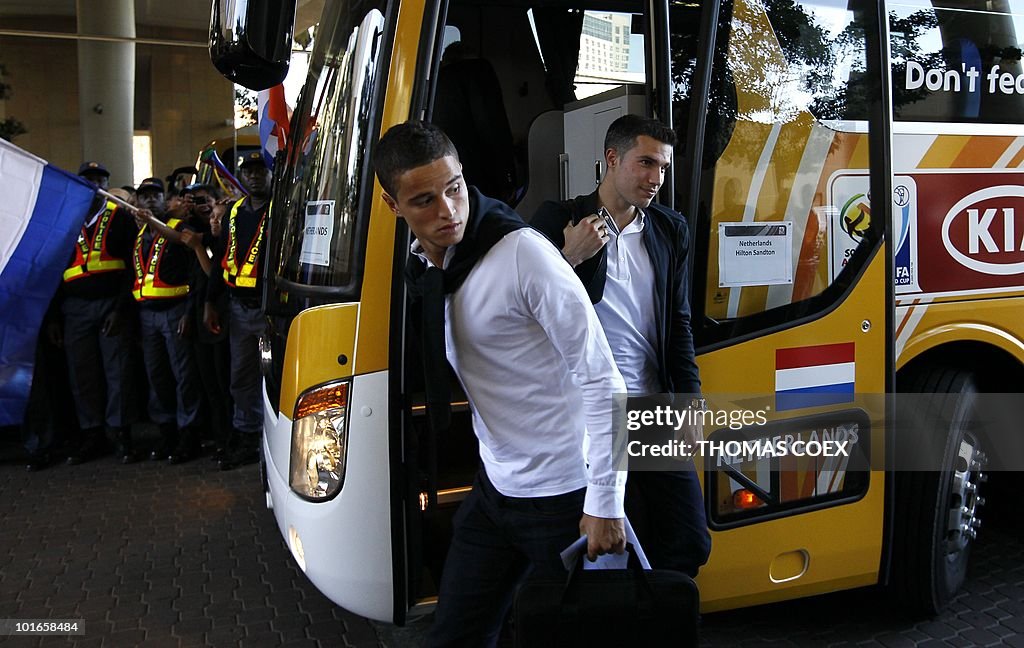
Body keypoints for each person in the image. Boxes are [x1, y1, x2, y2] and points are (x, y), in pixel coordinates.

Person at [374, 121, 627, 647]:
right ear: (391, 205)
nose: (448, 210)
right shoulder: (426, 265)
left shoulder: (523, 256)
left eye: (454, 187)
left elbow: (603, 381)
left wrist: (605, 502)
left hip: (564, 496)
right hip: (496, 491)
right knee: (456, 635)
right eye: (424, 200)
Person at [531, 114, 712, 576]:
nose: (656, 179)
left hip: (652, 412)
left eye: (664, 168)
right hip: (589, 416)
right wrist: (570, 258)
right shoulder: (559, 220)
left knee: (689, 540)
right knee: (602, 549)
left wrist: (690, 399)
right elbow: (528, 318)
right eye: (646, 163)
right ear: (612, 159)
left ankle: (657, 618)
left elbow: (679, 325)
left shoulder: (669, 230)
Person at [60, 161, 140, 464]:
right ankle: (92, 433)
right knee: (83, 374)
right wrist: (56, 317)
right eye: (88, 179)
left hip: (111, 305)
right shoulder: (66, 219)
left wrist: (121, 309)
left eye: (99, 179)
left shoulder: (119, 217)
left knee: (117, 371)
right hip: (74, 308)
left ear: (107, 185)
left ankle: (121, 434)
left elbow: (133, 266)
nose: (93, 184)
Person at [204, 151, 271, 470]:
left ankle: (273, 438)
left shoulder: (281, 211)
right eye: (249, 172)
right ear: (241, 178)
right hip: (239, 309)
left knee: (274, 375)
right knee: (241, 376)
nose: (255, 176)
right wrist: (209, 302)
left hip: (270, 310)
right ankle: (247, 435)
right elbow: (220, 260)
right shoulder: (232, 213)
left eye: (261, 171)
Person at [132, 177, 204, 463]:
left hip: (175, 312)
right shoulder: (139, 234)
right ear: (137, 202)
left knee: (183, 377)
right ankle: (167, 432)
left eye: (155, 195)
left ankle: (189, 435)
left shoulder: (179, 228)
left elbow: (194, 272)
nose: (150, 200)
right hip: (147, 315)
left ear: (165, 200)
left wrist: (188, 311)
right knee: (157, 377)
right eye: (144, 196)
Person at [179, 184, 233, 460]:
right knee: (209, 384)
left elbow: (214, 274)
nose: (213, 219)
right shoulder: (197, 234)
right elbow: (195, 282)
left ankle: (229, 440)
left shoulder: (223, 243)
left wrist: (200, 247)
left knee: (224, 384)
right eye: (210, 214)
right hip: (200, 319)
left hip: (222, 319)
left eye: (216, 213)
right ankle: (218, 436)